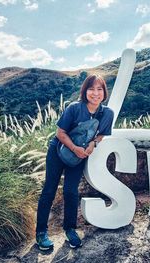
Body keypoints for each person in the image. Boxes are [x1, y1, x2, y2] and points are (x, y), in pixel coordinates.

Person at [36, 74, 114, 250]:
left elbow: (102, 134)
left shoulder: (107, 113)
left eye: (99, 89)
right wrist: (75, 148)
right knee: (49, 189)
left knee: (71, 191)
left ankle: (70, 229)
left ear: (104, 92)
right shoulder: (74, 108)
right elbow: (60, 133)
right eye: (91, 89)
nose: (95, 93)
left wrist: (93, 143)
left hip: (79, 154)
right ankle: (41, 233)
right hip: (59, 150)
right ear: (85, 91)